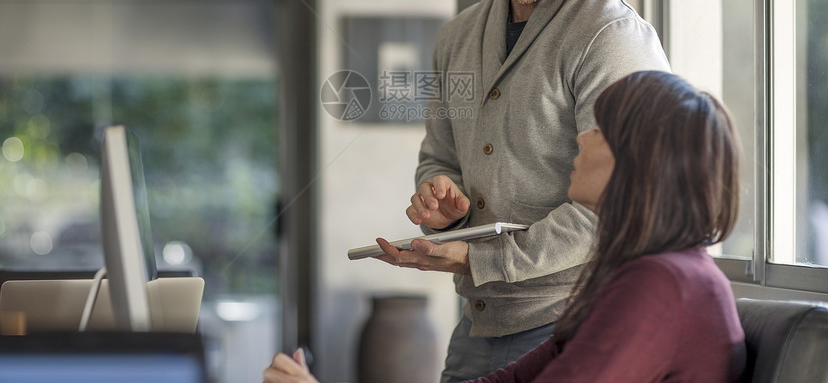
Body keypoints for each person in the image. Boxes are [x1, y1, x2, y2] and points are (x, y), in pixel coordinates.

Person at [375, 0, 670, 381]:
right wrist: (443, 200)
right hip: (478, 325)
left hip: (581, 327)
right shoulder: (457, 38)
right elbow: (439, 154)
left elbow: (622, 204)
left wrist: (478, 260)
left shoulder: (610, 36)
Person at [264, 71, 746, 383]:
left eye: (599, 128)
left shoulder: (663, 284)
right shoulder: (648, 273)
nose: (581, 136)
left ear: (638, 160)